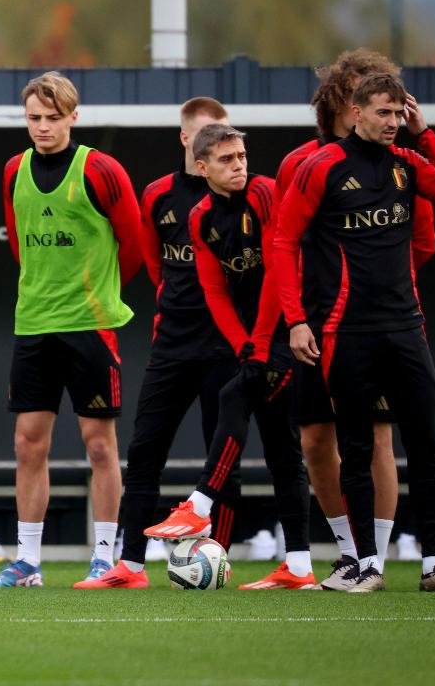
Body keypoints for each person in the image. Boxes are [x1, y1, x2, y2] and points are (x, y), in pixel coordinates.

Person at [273, 72, 435, 592]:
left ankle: (434, 564)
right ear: (356, 112)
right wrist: (296, 319)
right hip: (347, 332)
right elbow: (282, 242)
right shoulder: (322, 168)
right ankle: (366, 565)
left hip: (406, 327)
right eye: (382, 113)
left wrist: (424, 133)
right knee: (357, 449)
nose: (392, 123)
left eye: (397, 113)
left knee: (425, 444)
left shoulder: (408, 165)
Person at [0, 71, 141, 589]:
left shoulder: (101, 169)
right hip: (35, 325)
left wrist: (98, 292)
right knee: (29, 443)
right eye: (33, 118)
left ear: (73, 116)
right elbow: (19, 243)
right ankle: (27, 563)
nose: (42, 127)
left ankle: (105, 556)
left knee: (99, 445)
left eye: (52, 118)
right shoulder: (12, 170)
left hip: (91, 325)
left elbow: (132, 242)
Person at [143, 123, 314, 589]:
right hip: (251, 338)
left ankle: (199, 504)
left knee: (236, 398)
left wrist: (259, 343)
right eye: (225, 159)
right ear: (203, 168)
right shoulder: (200, 217)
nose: (238, 165)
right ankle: (299, 567)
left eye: (240, 156)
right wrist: (243, 341)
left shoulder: (265, 193)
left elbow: (281, 268)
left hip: (287, 329)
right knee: (283, 450)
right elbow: (215, 289)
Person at [87, 97, 241, 589]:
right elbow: (156, 265)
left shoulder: (245, 201)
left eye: (223, 133)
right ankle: (130, 564)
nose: (218, 142)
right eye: (205, 134)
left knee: (224, 459)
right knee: (146, 449)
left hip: (227, 347)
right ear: (186, 141)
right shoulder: (157, 194)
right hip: (172, 345)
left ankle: (218, 558)